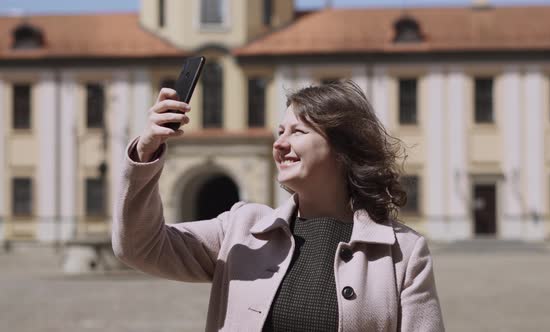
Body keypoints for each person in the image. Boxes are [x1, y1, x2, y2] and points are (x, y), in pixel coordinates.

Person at [112, 80, 445, 332]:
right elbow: (140, 247)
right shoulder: (242, 229)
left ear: (345, 148)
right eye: (280, 131)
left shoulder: (403, 253)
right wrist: (145, 154)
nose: (279, 144)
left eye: (298, 131)